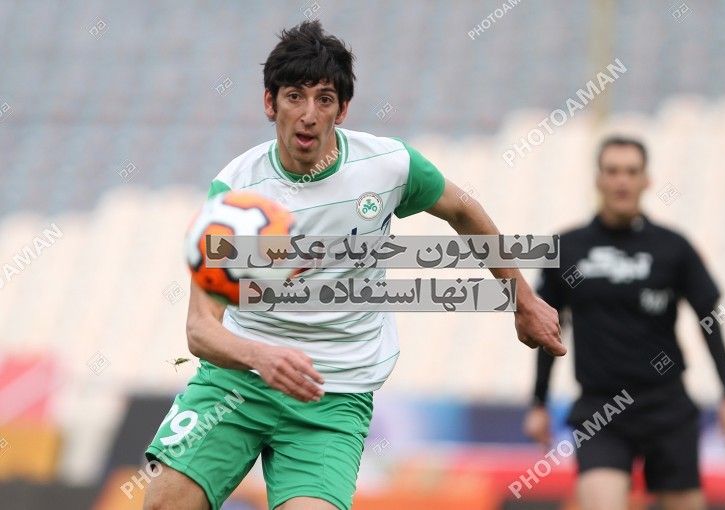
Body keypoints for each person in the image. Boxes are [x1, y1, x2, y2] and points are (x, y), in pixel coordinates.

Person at [143, 20, 565, 510]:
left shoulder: (388, 166)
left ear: (342, 109)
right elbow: (200, 330)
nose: (308, 115)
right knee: (163, 504)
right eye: (294, 97)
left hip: (333, 393)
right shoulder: (235, 195)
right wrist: (262, 357)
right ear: (269, 103)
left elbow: (463, 209)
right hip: (238, 383)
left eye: (324, 99)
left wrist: (522, 299)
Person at [523, 136, 725, 510]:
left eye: (631, 172)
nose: (622, 181)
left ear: (647, 180)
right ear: (598, 179)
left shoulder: (674, 248)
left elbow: (709, 319)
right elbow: (548, 326)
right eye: (612, 171)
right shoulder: (565, 248)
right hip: (600, 411)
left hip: (667, 407)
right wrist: (538, 402)